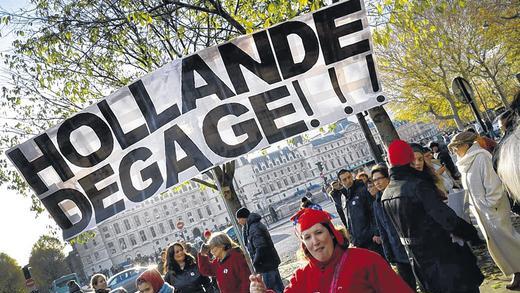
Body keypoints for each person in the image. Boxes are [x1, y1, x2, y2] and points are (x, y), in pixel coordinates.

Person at [382, 139, 484, 293]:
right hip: (443, 256)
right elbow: (447, 220)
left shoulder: (386, 194)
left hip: (419, 262)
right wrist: (471, 232)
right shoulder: (417, 186)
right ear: (408, 158)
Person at [249, 207, 414, 293]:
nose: (315, 241)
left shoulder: (367, 260)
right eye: (307, 237)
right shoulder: (302, 276)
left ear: (332, 234)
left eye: (319, 232)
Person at [450, 131, 520, 290]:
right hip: (483, 211)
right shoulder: (465, 162)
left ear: (465, 145)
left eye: (456, 147)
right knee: (499, 244)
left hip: (492, 209)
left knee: (508, 239)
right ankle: (516, 272)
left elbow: (493, 185)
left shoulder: (481, 157)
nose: (454, 151)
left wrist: (490, 205)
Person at [371, 165, 417, 291]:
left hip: (413, 246)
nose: (377, 183)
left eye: (380, 178)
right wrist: (388, 253)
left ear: (388, 178)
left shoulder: (399, 194)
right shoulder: (376, 203)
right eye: (374, 180)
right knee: (407, 286)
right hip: (397, 251)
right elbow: (382, 229)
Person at [236, 207, 284, 293]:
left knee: (271, 289)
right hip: (268, 263)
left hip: (266, 264)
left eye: (239, 219)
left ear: (243, 218)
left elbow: (261, 247)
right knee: (278, 288)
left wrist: (255, 262)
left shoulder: (254, 227)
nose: (238, 222)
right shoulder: (249, 227)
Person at [337, 169, 383, 256]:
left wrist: (376, 233)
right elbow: (348, 219)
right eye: (344, 179)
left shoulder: (362, 190)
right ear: (340, 182)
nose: (348, 181)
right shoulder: (343, 196)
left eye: (349, 177)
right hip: (357, 241)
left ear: (352, 176)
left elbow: (373, 212)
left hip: (371, 238)